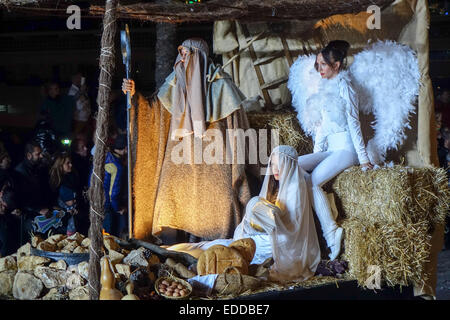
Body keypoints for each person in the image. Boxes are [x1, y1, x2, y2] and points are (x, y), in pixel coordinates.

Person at [122, 38, 258, 241]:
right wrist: (135, 97)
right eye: (180, 54)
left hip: (214, 164)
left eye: (187, 54)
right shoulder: (174, 84)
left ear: (200, 57)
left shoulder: (222, 86)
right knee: (168, 205)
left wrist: (238, 168)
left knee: (221, 207)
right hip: (178, 165)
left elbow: (237, 128)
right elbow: (154, 115)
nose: (182, 59)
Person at [293, 40, 373, 261]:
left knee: (313, 182)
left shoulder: (345, 87)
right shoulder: (325, 87)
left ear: (336, 65)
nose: (319, 69)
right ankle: (317, 221)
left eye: (323, 65)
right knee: (295, 164)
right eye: (317, 64)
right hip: (331, 150)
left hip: (347, 150)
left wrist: (364, 160)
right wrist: (317, 155)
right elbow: (323, 127)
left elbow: (354, 124)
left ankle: (331, 232)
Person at [14, 141, 52, 243]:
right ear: (29, 155)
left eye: (41, 153)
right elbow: (20, 197)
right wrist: (38, 209)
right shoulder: (20, 172)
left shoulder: (37, 169)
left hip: (38, 211)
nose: (41, 156)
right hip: (27, 215)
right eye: (37, 154)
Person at [97, 134, 128, 237]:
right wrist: (118, 208)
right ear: (125, 148)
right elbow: (113, 193)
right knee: (109, 236)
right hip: (107, 205)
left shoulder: (104, 156)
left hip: (97, 200)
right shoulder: (116, 166)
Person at [49, 153, 80, 236]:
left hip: (72, 214)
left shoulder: (72, 177)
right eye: (67, 163)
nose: (71, 165)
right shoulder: (56, 182)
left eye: (71, 162)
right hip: (61, 218)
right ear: (60, 165)